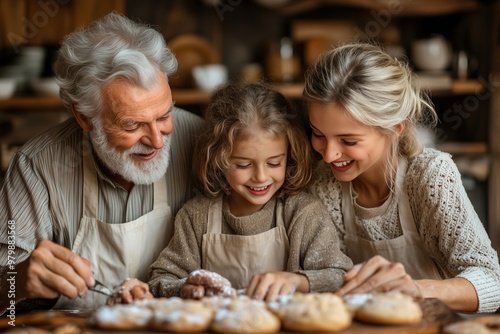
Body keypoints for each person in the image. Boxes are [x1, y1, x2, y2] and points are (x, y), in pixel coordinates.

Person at [0, 12, 204, 313]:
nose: (157, 141)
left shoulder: (202, 142)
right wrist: (15, 281)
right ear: (85, 117)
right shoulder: (36, 166)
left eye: (163, 116)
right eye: (133, 125)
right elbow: (7, 301)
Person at [303, 42, 500, 313]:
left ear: (394, 128)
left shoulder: (430, 177)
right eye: (318, 134)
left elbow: (492, 281)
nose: (328, 155)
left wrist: (418, 289)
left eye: (348, 140)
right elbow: (329, 278)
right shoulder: (324, 183)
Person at [146, 82, 353, 302]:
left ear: (289, 156)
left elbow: (339, 276)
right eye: (243, 165)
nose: (261, 177)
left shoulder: (303, 214)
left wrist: (296, 281)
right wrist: (185, 288)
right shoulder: (196, 217)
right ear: (217, 159)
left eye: (274, 163)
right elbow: (160, 281)